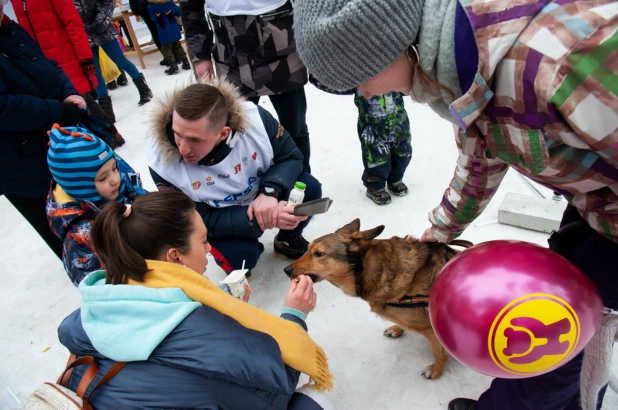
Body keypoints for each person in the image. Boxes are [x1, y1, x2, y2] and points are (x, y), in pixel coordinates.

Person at [293, 1, 618, 409]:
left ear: (387, 45)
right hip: (594, 206)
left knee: (558, 336)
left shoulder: (561, 64)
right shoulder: (465, 77)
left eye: (358, 79)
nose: (364, 93)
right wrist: (440, 230)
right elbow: (482, 155)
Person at [57, 190, 333, 409]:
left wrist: (222, 312)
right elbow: (278, 385)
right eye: (202, 241)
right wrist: (294, 316)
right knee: (313, 402)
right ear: (175, 257)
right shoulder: (204, 329)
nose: (209, 249)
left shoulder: (95, 310)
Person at [148, 79, 322, 275]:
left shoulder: (255, 119)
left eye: (195, 140)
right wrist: (259, 220)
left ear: (223, 133)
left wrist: (270, 191)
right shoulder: (161, 163)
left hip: (261, 194)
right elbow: (193, 218)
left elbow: (291, 156)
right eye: (177, 133)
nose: (182, 148)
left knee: (310, 188)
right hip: (219, 216)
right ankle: (244, 255)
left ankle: (287, 240)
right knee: (241, 258)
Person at [0, 3, 94, 258]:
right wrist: (58, 110)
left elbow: (48, 64)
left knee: (101, 223)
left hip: (59, 145)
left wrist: (69, 92)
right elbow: (4, 108)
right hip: (24, 166)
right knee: (74, 244)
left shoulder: (9, 27)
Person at [179, 0, 312, 173]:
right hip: (228, 47)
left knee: (295, 128)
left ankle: (302, 182)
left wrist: (313, 43)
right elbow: (190, 6)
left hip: (281, 37)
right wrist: (200, 55)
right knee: (236, 135)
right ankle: (251, 189)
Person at [13, 0, 125, 146]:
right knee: (76, 102)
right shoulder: (16, 2)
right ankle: (107, 136)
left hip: (68, 56)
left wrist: (85, 58)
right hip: (44, 62)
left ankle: (107, 137)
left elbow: (74, 24)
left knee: (81, 99)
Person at [46, 125, 146, 286]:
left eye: (114, 168)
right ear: (79, 185)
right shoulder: (81, 239)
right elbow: (98, 287)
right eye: (102, 178)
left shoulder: (120, 186)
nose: (115, 179)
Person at [309, 76, 412, 205]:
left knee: (403, 154)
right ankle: (376, 187)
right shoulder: (360, 77)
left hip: (399, 124)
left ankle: (395, 179)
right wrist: (316, 76)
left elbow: (409, 82)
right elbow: (337, 84)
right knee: (376, 159)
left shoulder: (394, 73)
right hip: (372, 128)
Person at [73, 0, 153, 120]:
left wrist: (98, 23)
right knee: (94, 71)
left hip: (103, 30)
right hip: (84, 35)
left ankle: (144, 90)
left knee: (120, 61)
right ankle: (106, 111)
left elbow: (107, 4)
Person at [147, 0, 189, 75]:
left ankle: (173, 65)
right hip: (173, 28)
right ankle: (186, 62)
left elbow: (154, 19)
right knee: (178, 46)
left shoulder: (151, 7)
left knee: (166, 48)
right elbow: (178, 12)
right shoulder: (170, 2)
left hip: (163, 30)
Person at [128, 0, 166, 65]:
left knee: (156, 33)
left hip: (146, 10)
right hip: (156, 7)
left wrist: (136, 13)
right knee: (163, 30)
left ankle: (168, 57)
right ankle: (174, 55)